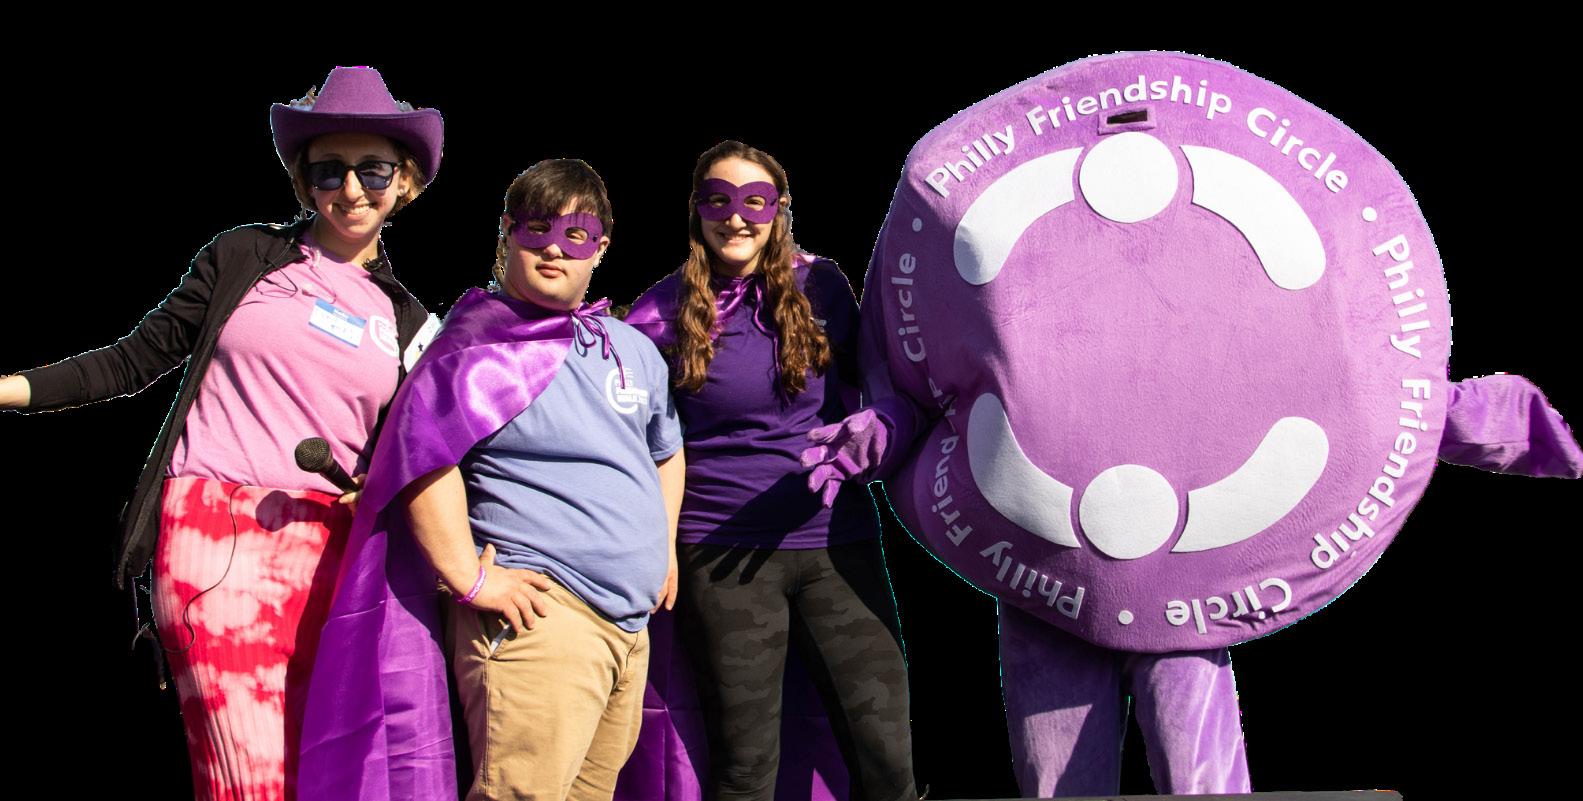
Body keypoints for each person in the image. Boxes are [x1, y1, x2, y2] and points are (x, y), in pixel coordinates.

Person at [0, 66, 441, 800]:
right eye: (328, 169)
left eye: (373, 169)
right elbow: (133, 360)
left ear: (405, 182)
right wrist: (10, 388)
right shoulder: (244, 257)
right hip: (217, 537)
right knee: (249, 774)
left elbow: (418, 456)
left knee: (315, 777)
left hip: (335, 561)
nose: (351, 188)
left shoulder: (411, 323)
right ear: (304, 179)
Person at [299, 158, 684, 801]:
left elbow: (667, 452)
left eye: (576, 235)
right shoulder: (477, 344)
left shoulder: (631, 346)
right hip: (543, 620)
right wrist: (470, 577)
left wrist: (661, 545)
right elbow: (424, 457)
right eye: (539, 229)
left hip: (628, 630)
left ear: (602, 247)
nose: (555, 249)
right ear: (508, 231)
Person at [626, 141, 918, 801]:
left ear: (779, 209)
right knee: (746, 762)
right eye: (718, 201)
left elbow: (890, 382)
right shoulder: (662, 310)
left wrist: (881, 428)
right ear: (696, 210)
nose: (736, 217)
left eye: (754, 201)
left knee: (886, 756)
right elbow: (619, 422)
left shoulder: (824, 287)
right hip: (721, 555)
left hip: (835, 542)